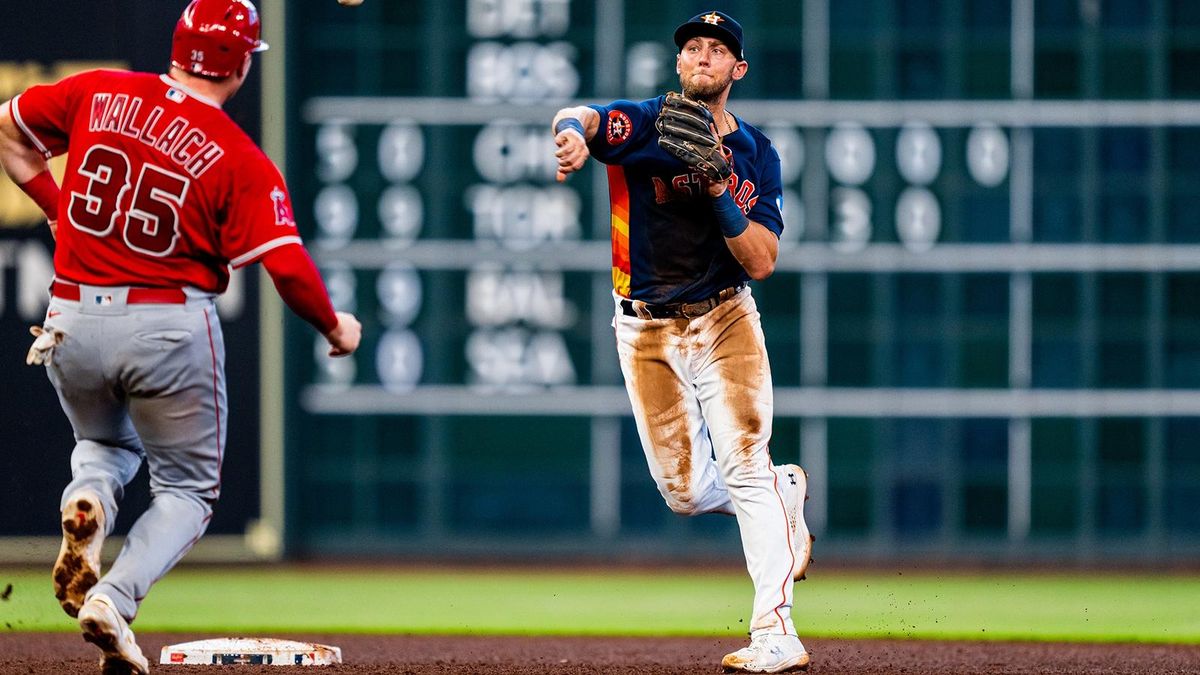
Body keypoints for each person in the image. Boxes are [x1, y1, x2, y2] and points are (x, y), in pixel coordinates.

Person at [0, 0, 361, 672]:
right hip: (165, 322)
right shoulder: (237, 155)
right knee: (189, 493)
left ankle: (87, 501)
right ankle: (113, 596)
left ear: (179, 45)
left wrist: (60, 215)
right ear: (242, 64)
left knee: (102, 442)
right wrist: (335, 326)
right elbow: (287, 266)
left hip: (70, 316)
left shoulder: (98, 89)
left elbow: (9, 131)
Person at [551, 10, 813, 674]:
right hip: (643, 325)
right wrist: (570, 135)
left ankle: (775, 631)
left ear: (737, 69)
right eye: (692, 47)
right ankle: (783, 493)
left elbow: (762, 260)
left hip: (725, 317)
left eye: (716, 49)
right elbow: (580, 112)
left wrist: (723, 189)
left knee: (744, 464)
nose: (701, 55)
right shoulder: (645, 124)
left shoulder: (755, 152)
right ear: (678, 64)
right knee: (687, 493)